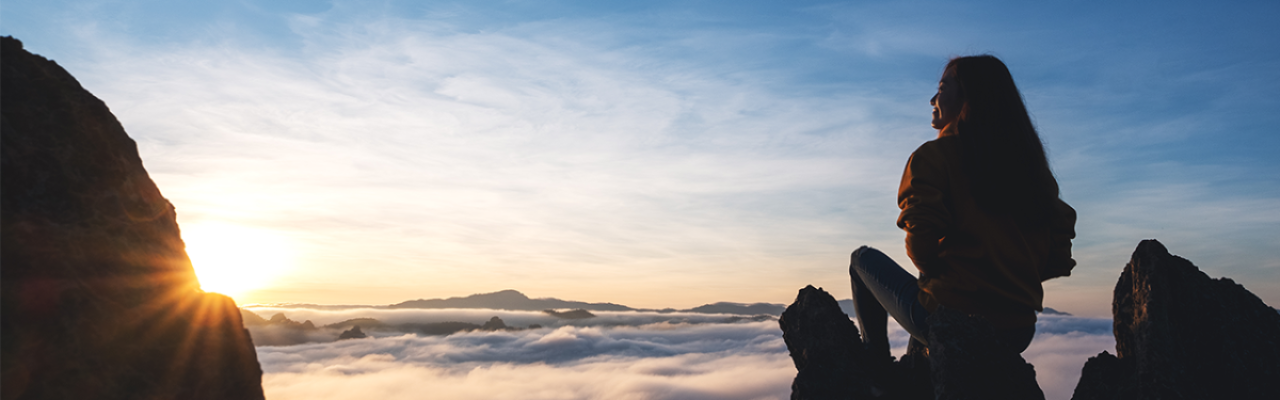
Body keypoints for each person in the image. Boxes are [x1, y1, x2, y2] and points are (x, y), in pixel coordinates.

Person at [849, 55, 1077, 365]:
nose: (933, 98)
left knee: (861, 260)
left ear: (969, 95)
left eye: (942, 87)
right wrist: (1009, 274)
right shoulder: (1031, 171)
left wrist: (949, 282)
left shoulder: (934, 157)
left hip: (951, 322)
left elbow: (921, 241)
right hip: (1018, 331)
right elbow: (1059, 254)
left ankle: (875, 369)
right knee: (931, 276)